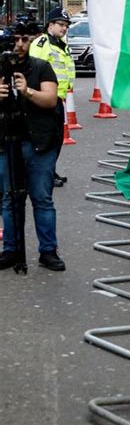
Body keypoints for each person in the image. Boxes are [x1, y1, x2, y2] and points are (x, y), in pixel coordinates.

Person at [0, 22, 65, 271]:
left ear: (32, 40)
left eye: (25, 39)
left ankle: (48, 251)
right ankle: (10, 250)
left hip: (39, 144)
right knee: (10, 200)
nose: (19, 45)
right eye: (15, 39)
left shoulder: (41, 67)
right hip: (7, 143)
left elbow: (50, 100)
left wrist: (26, 91)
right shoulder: (1, 65)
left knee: (42, 199)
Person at [29, 7, 75, 187]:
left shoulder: (60, 44)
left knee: (56, 138)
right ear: (50, 24)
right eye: (61, 25)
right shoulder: (42, 44)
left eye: (66, 26)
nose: (64, 29)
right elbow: (33, 71)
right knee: (47, 139)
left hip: (58, 98)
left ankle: (49, 170)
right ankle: (45, 173)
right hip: (44, 99)